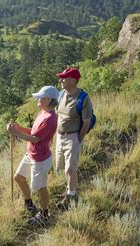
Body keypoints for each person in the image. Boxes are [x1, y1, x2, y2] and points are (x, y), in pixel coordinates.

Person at [7, 86, 58, 225]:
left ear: (48, 100)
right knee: (18, 177)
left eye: (40, 97)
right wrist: (18, 128)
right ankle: (29, 203)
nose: (37, 99)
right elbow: (33, 131)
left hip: (40, 159)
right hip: (31, 154)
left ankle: (44, 214)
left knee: (40, 187)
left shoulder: (50, 118)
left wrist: (15, 133)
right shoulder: (43, 112)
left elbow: (36, 139)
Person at [55, 67, 93, 209]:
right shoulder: (60, 95)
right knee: (62, 167)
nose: (60, 80)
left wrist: (78, 139)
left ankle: (71, 196)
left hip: (72, 136)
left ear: (73, 80)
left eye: (63, 78)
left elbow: (87, 121)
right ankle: (68, 190)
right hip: (60, 136)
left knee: (70, 168)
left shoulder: (83, 98)